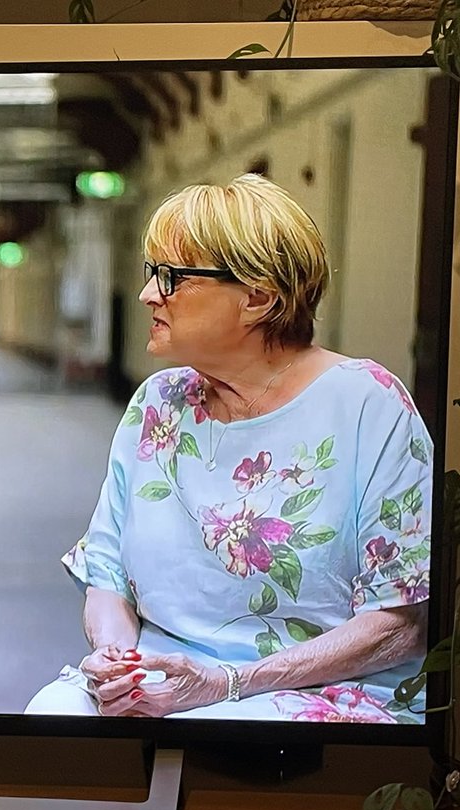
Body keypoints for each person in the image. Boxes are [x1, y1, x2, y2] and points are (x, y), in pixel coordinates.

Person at [26, 174, 431, 722]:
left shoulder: (368, 405)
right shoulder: (157, 403)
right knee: (53, 716)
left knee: (217, 735)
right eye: (151, 274)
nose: (149, 293)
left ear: (257, 297)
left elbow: (400, 624)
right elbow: (107, 577)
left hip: (315, 688)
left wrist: (228, 683)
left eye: (171, 277)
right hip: (166, 679)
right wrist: (115, 661)